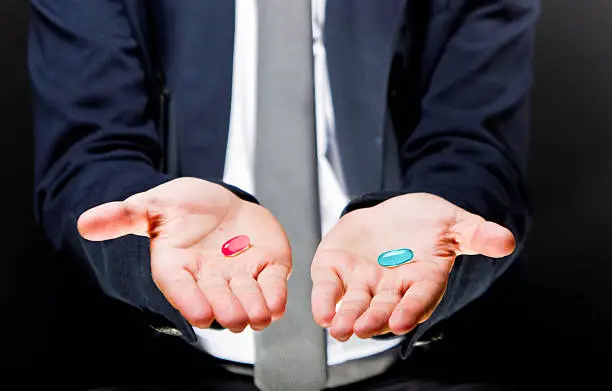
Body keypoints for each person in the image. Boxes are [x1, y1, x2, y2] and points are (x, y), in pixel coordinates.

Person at [29, 0, 538, 389]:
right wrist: (149, 242)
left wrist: (444, 230)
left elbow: (479, 149)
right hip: (155, 364)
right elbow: (86, 156)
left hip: (425, 362)